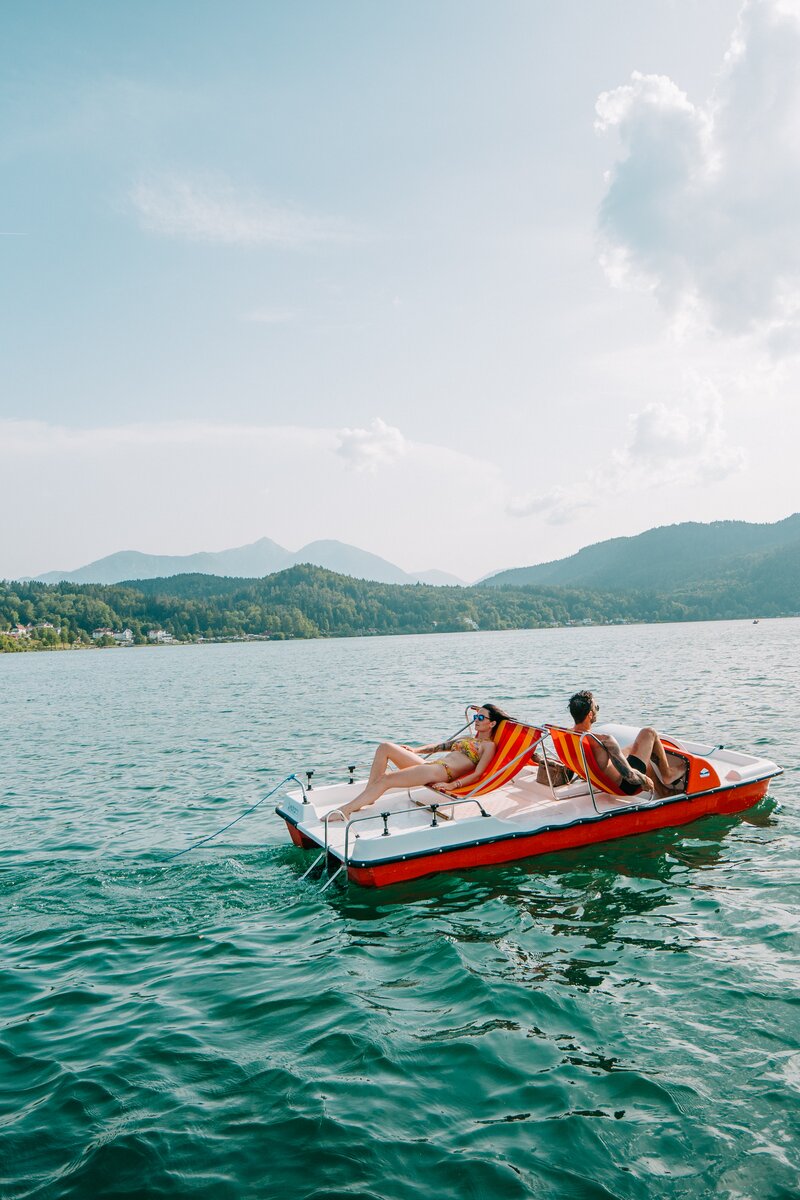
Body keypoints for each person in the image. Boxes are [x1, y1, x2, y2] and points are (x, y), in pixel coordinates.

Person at [330, 703, 511, 820]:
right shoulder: (469, 738)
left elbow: (479, 773)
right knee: (385, 747)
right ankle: (368, 795)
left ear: (492, 723)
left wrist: (453, 786)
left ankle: (346, 810)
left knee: (386, 779)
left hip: (443, 772)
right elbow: (441, 746)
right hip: (431, 768)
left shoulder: (489, 746)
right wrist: (415, 750)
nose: (476, 720)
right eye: (475, 717)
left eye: (481, 718)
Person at [568, 690, 685, 798]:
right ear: (590, 715)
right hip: (625, 785)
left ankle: (664, 792)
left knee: (633, 749)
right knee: (649, 732)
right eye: (596, 708)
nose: (597, 710)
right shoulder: (605, 740)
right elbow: (629, 776)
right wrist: (644, 780)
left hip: (602, 780)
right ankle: (668, 774)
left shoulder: (569, 736)